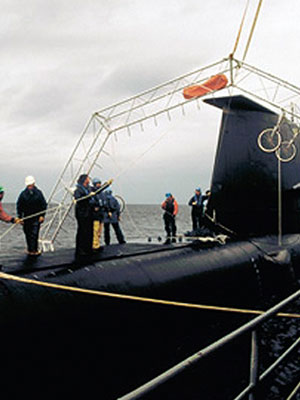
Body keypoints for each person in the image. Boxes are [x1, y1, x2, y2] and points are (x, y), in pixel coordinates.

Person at [17, 176, 47, 256]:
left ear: (34, 184)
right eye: (28, 185)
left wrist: (42, 215)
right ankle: (30, 249)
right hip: (26, 217)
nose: (30, 186)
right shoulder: (23, 194)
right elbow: (19, 206)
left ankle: (34, 250)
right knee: (27, 233)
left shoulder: (39, 193)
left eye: (31, 185)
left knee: (34, 234)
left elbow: (43, 205)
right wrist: (20, 217)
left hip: (36, 217)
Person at [73, 174, 95, 259]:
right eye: (88, 178)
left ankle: (88, 248)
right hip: (82, 213)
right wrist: (88, 196)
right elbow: (79, 199)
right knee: (82, 231)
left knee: (90, 231)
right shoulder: (78, 190)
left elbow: (96, 191)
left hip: (89, 213)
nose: (89, 179)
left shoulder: (89, 188)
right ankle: (80, 249)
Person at [91, 177, 105, 252]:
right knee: (95, 230)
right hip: (96, 215)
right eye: (98, 183)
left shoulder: (101, 193)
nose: (99, 185)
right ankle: (94, 245)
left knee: (99, 231)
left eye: (100, 183)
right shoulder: (93, 192)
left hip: (101, 214)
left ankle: (97, 244)